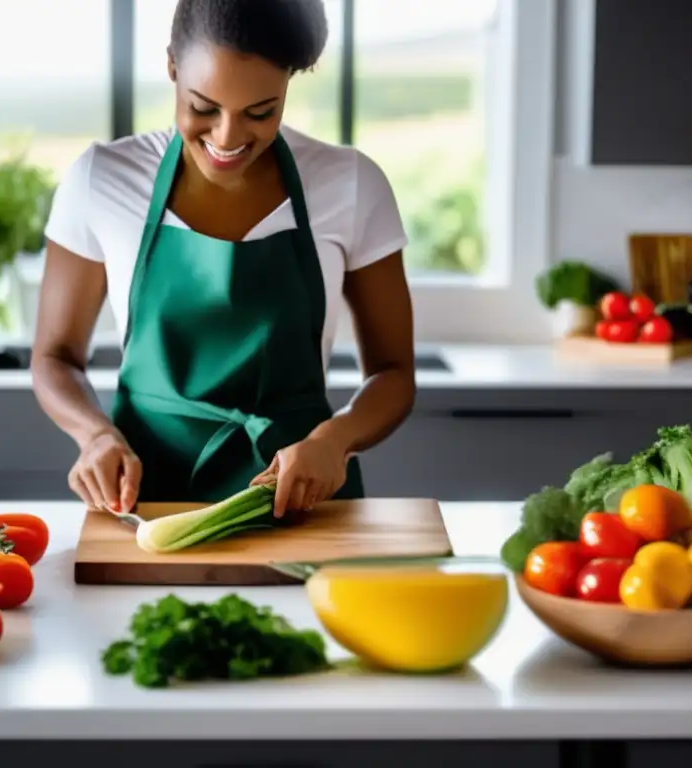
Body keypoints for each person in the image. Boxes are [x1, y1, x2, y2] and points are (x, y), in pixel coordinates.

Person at [32, 0, 416, 519]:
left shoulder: (350, 183)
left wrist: (336, 441)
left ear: (287, 85)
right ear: (172, 66)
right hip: (145, 502)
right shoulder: (102, 179)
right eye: (203, 107)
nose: (228, 137)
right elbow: (54, 357)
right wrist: (95, 435)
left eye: (261, 112)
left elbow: (393, 374)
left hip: (301, 498)